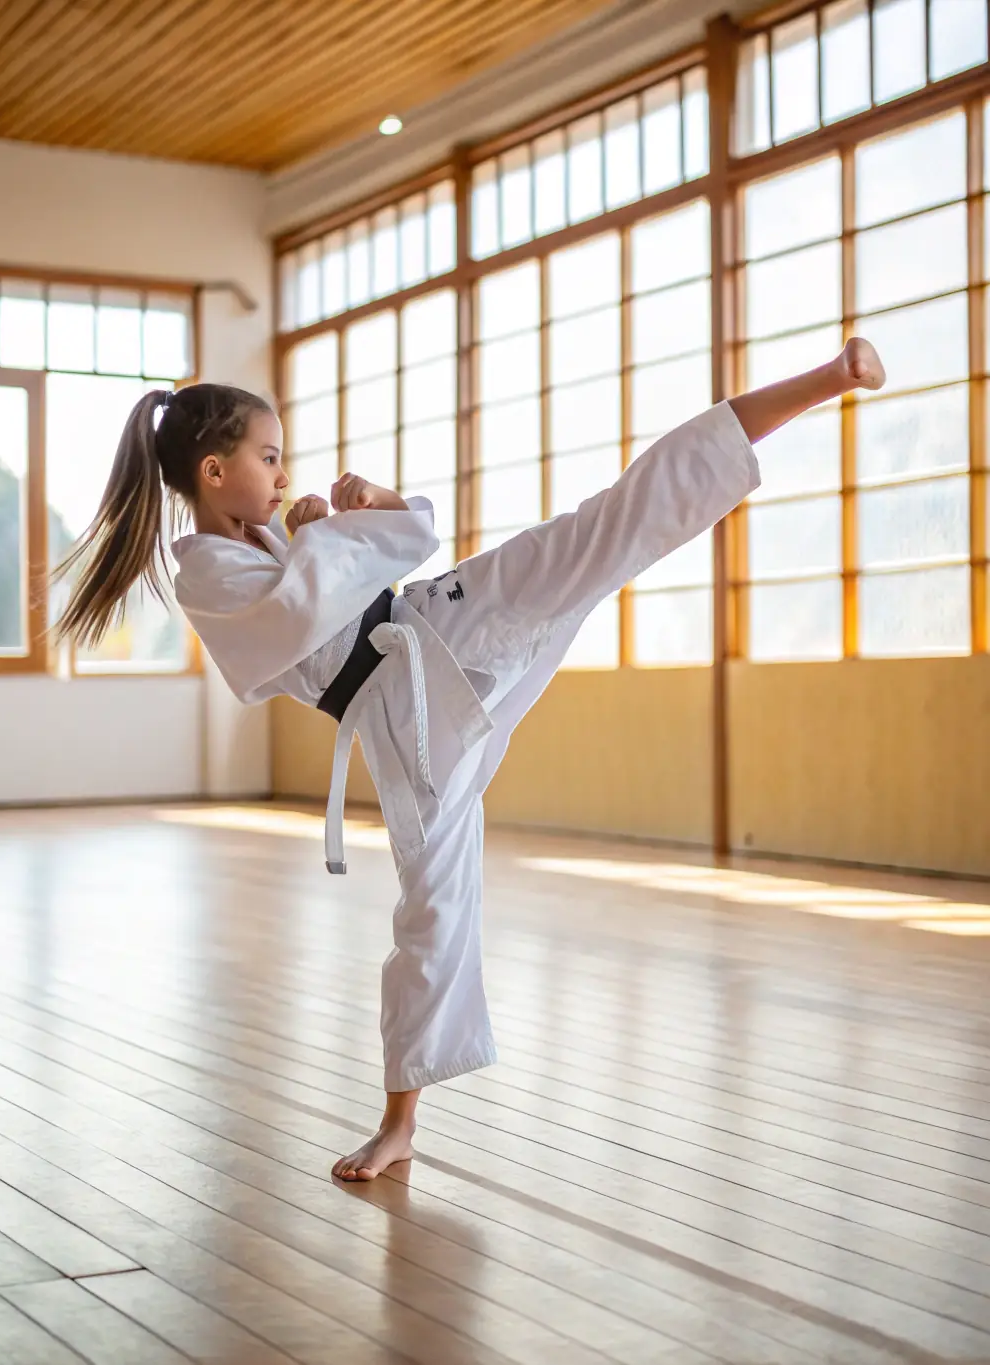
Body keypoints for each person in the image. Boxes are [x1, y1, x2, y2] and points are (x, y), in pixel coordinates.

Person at [55, 337, 886, 1181]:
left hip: (444, 622)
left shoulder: (272, 543)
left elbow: (404, 541)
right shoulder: (206, 571)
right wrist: (331, 534)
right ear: (212, 472)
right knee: (436, 910)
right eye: (266, 457)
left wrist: (366, 506)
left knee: (610, 525)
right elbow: (299, 615)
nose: (279, 474)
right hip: (403, 719)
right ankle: (399, 1124)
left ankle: (828, 378)